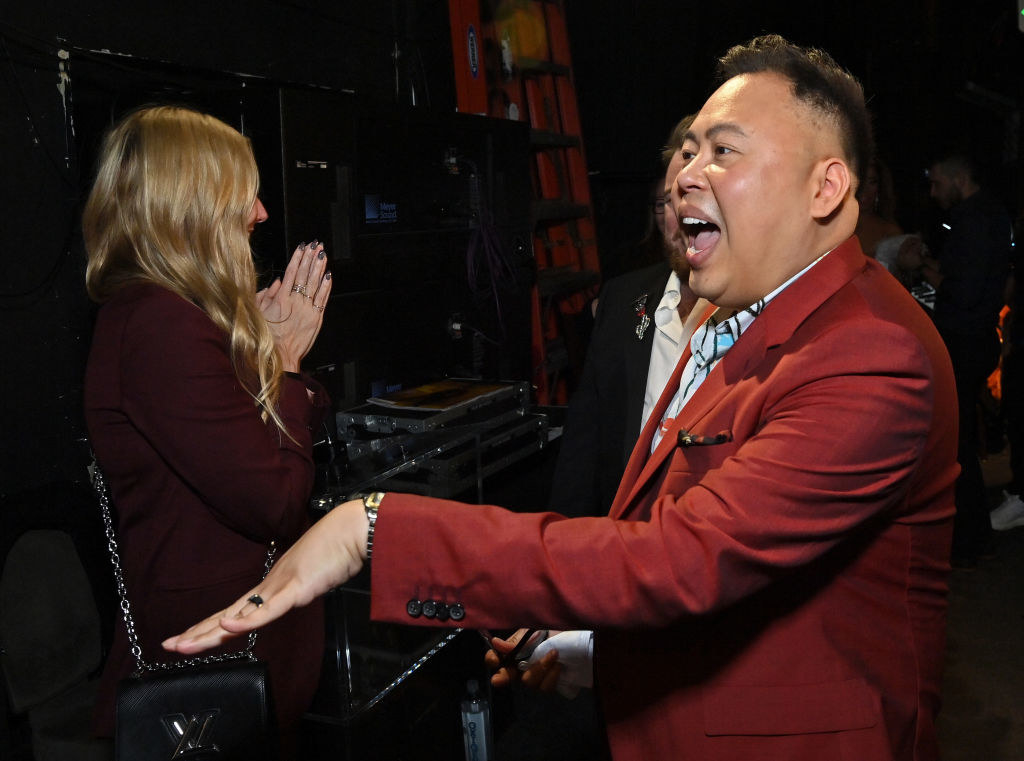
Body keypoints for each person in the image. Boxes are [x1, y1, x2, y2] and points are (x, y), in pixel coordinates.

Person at [166, 36, 959, 761]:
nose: (686, 173)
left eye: (724, 151)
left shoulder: (869, 350)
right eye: (687, 151)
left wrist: (372, 528)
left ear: (826, 185)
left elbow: (684, 559)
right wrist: (596, 648)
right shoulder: (750, 317)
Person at [82, 105, 332, 751]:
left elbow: (234, 444)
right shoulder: (161, 324)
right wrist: (286, 366)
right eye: (241, 193)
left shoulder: (167, 315)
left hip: (231, 647)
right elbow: (273, 499)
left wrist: (261, 355)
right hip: (208, 661)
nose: (259, 213)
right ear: (190, 204)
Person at [550, 114, 710, 518]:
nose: (683, 215)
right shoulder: (623, 298)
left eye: (699, 199)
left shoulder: (765, 310)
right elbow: (584, 443)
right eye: (671, 199)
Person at [902, 153, 1013, 564]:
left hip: (963, 341)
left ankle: (967, 538)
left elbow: (962, 291)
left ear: (956, 177)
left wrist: (921, 267)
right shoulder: (991, 214)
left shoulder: (974, 218)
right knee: (957, 436)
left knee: (954, 440)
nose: (933, 193)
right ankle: (967, 535)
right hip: (975, 338)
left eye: (936, 184)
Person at [854, 155, 902, 258]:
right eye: (860, 180)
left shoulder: (889, 232)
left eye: (872, 182)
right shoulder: (834, 228)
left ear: (880, 187)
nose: (864, 189)